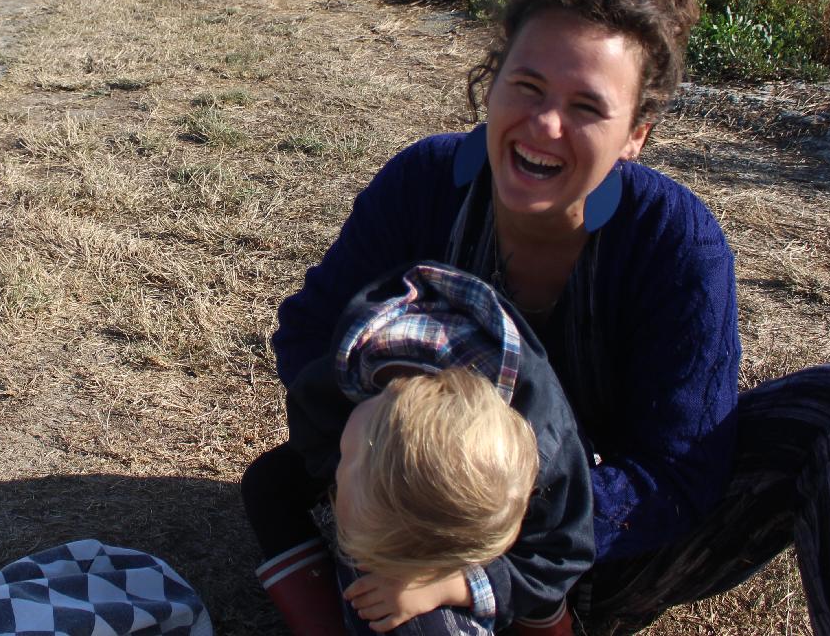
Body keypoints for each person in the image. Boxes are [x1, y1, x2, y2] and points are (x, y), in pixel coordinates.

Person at [265, 0, 830, 635]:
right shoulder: (424, 183)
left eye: (587, 107)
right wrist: (396, 444)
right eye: (526, 86)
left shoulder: (675, 239)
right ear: (491, 83)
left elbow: (678, 473)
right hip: (425, 523)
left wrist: (511, 535)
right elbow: (310, 333)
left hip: (597, 546)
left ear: (636, 134)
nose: (545, 124)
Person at [243, 261, 595, 636]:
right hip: (368, 439)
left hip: (519, 550)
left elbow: (560, 554)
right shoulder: (355, 361)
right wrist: (359, 500)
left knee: (521, 596)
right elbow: (310, 419)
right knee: (269, 483)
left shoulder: (545, 453)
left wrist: (453, 584)